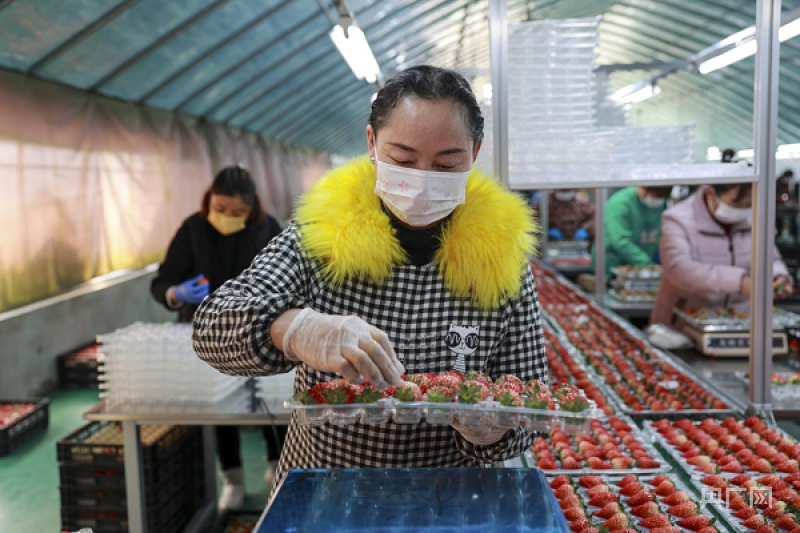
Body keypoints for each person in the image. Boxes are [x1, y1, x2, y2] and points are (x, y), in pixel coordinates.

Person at [192, 66, 547, 492]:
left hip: (452, 497)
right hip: (326, 491)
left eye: (446, 164)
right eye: (403, 160)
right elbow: (211, 326)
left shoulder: (502, 256)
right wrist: (294, 328)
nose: (421, 181)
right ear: (372, 144)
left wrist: (495, 431)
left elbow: (532, 398)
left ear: (475, 153)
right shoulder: (323, 234)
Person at [150, 166, 286, 510]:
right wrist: (176, 294)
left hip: (259, 334)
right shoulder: (193, 230)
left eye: (236, 212)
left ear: (251, 208)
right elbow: (162, 281)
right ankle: (232, 478)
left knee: (269, 400)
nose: (226, 216)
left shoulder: (268, 229)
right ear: (209, 199)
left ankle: (277, 466)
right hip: (207, 337)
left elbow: (289, 279)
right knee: (221, 407)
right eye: (220, 208)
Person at [651, 183, 792, 326]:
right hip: (685, 324)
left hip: (741, 323)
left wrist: (778, 276)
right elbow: (679, 270)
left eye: (749, 204)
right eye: (736, 203)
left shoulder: (753, 218)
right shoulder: (678, 218)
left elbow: (770, 257)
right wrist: (739, 283)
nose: (743, 209)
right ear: (711, 194)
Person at [591, 186, 672, 277]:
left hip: (642, 268)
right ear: (642, 188)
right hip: (614, 267)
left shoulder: (661, 204)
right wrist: (648, 265)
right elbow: (621, 241)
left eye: (661, 197)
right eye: (655, 196)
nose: (657, 200)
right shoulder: (620, 203)